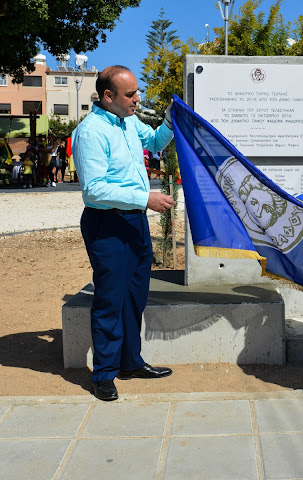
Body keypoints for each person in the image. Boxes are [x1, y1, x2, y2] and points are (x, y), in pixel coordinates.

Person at [72, 65, 176, 402]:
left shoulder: (129, 121)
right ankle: (104, 374)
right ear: (108, 96)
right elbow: (95, 190)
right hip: (108, 225)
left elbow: (156, 140)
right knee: (109, 299)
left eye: (136, 92)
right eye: (130, 94)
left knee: (135, 296)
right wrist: (146, 198)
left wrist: (173, 120)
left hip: (134, 224)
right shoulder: (90, 132)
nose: (137, 99)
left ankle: (131, 362)